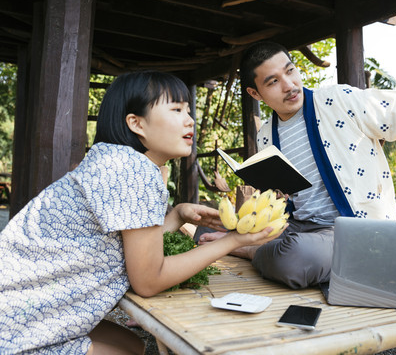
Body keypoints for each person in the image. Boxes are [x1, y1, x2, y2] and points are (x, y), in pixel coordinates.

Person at [198, 41, 396, 290]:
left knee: (294, 260)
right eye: (273, 81)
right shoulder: (266, 134)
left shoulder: (340, 100)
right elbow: (283, 197)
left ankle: (252, 252)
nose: (289, 84)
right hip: (298, 229)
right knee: (211, 232)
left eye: (291, 70)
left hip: (352, 230)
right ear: (255, 92)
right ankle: (258, 246)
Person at [0, 71, 283, 354]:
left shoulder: (112, 158)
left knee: (133, 345)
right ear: (136, 123)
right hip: (19, 323)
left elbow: (130, 247)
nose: (189, 120)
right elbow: (148, 280)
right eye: (175, 110)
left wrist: (178, 215)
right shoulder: (133, 171)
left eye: (187, 110)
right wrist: (232, 241)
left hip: (23, 303)